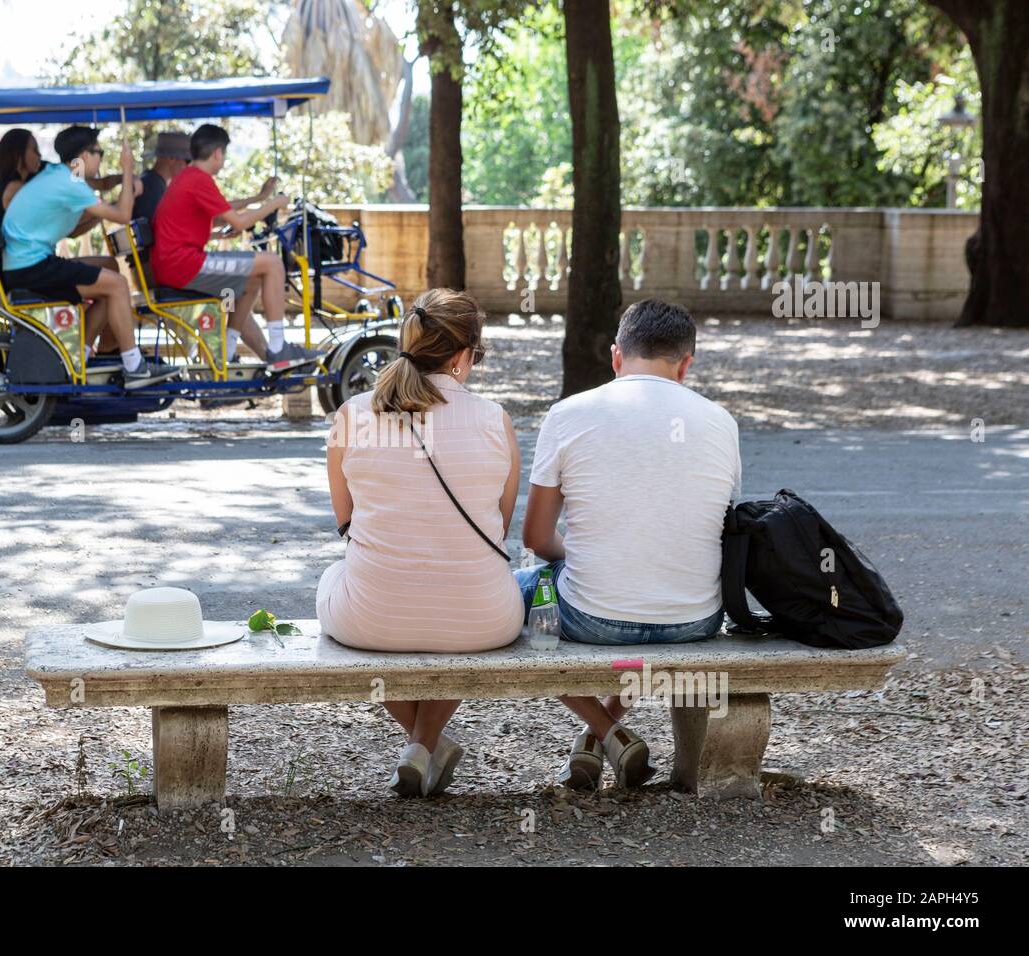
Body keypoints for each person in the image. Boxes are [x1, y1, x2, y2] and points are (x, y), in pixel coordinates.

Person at [518, 299, 742, 791]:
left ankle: (606, 732)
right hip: (694, 620)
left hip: (593, 619)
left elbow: (534, 539)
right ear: (687, 364)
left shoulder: (568, 414)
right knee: (642, 595)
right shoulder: (721, 422)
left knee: (510, 599)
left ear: (617, 357)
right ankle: (596, 738)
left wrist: (590, 556)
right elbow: (709, 529)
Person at [317, 289, 525, 798]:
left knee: (336, 579)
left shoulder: (352, 413)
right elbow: (498, 524)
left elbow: (345, 521)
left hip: (370, 619)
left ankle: (422, 743)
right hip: (483, 620)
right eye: (475, 355)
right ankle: (422, 743)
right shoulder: (494, 419)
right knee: (458, 588)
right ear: (460, 356)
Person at [1, 125, 169, 387]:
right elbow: (123, 216)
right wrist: (127, 170)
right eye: (98, 152)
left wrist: (121, 182)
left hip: (24, 263)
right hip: (31, 267)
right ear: (83, 156)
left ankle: (81, 355)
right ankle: (135, 367)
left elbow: (78, 225)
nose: (100, 157)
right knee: (117, 284)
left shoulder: (61, 174)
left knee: (109, 276)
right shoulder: (71, 183)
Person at [150, 123, 313, 368]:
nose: (223, 160)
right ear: (218, 152)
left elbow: (219, 212)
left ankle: (226, 353)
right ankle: (280, 349)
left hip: (174, 263)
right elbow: (241, 220)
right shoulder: (198, 180)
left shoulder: (189, 177)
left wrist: (258, 199)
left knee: (253, 280)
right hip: (183, 266)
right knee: (272, 263)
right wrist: (275, 203)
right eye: (224, 154)